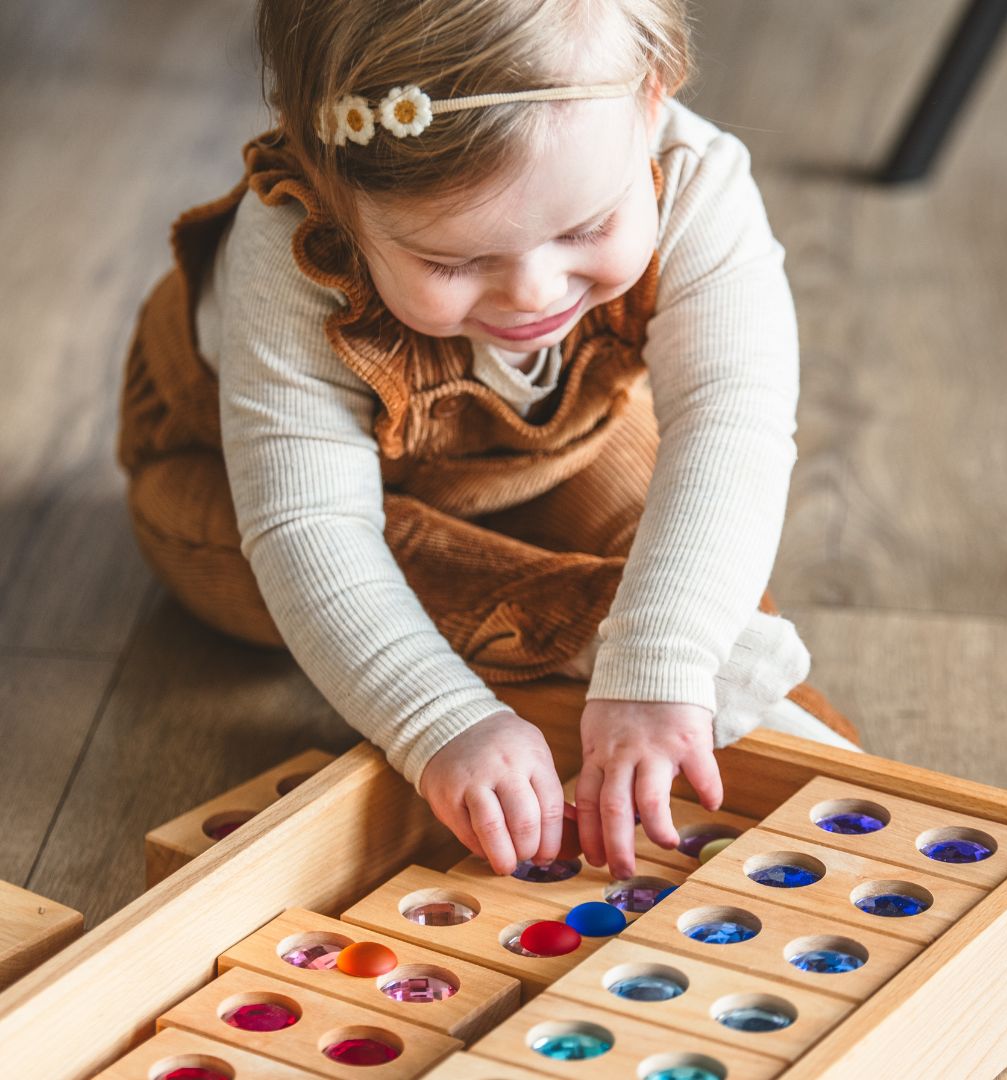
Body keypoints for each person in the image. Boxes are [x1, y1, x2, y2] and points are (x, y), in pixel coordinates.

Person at [117, 0, 860, 884]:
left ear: (652, 98)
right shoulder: (288, 248)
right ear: (332, 187)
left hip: (554, 449)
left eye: (586, 230)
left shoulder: (697, 180)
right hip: (231, 486)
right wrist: (441, 722)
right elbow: (309, 526)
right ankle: (581, 645)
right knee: (272, 570)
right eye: (455, 262)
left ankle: (707, 710)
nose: (533, 294)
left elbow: (730, 423)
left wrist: (660, 663)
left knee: (684, 564)